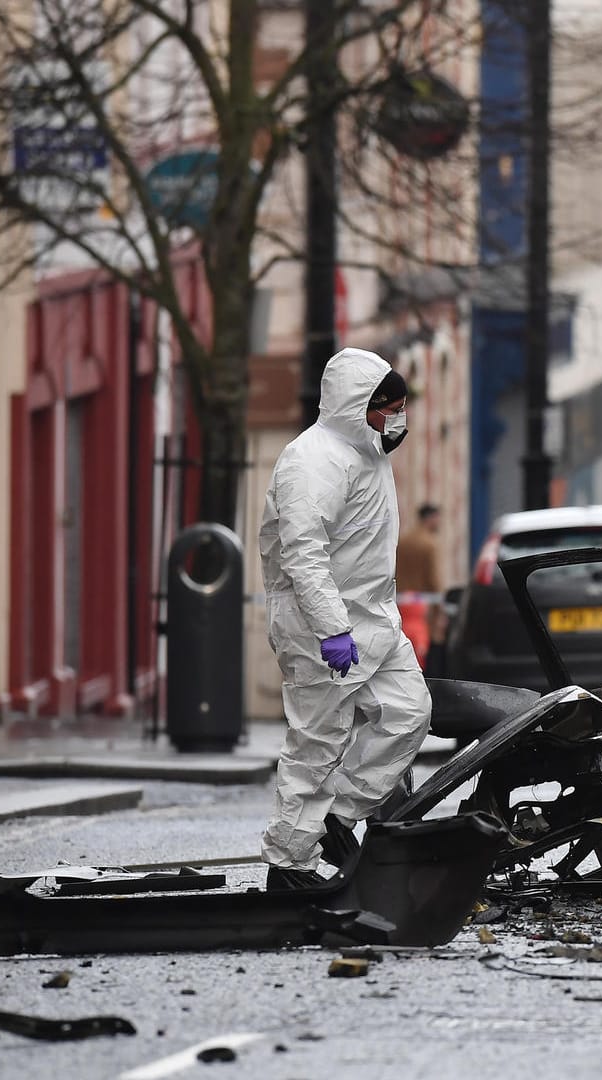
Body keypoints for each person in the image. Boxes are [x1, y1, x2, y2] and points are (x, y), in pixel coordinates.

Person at [257, 348, 432, 890]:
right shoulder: (312, 461)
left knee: (409, 714)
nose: (399, 418)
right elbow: (303, 555)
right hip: (323, 629)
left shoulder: (369, 453)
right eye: (391, 407)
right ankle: (287, 865)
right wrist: (331, 628)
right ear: (361, 406)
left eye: (403, 406)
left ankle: (337, 816)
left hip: (375, 620)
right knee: (316, 743)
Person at [395, 504, 445, 666]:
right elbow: (433, 579)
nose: (439, 523)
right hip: (422, 607)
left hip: (400, 602)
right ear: (430, 519)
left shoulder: (403, 540)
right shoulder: (428, 544)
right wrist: (440, 608)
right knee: (424, 651)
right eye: (437, 518)